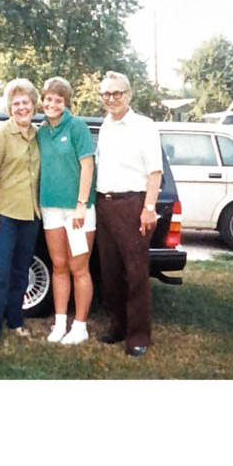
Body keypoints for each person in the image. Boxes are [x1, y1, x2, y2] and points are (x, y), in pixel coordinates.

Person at [95, 71, 163, 356]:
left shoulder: (144, 126)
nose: (111, 99)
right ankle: (118, 326)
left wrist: (148, 209)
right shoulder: (105, 126)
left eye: (116, 93)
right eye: (106, 94)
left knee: (135, 273)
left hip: (133, 206)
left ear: (129, 95)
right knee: (109, 273)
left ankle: (137, 336)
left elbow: (154, 171)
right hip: (105, 205)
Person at [0, 79, 41, 351]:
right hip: (2, 214)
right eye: (15, 103)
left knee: (20, 273)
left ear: (33, 105)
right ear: (9, 107)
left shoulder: (39, 135)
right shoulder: (0, 133)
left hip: (30, 215)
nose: (21, 107)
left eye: (25, 102)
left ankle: (15, 322)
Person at [36, 77, 96, 345]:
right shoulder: (40, 132)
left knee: (78, 267)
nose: (52, 103)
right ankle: (60, 324)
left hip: (77, 212)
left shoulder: (77, 127)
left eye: (58, 100)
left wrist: (81, 205)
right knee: (58, 267)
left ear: (66, 103)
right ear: (43, 100)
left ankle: (80, 326)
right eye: (48, 98)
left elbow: (88, 166)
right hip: (50, 210)